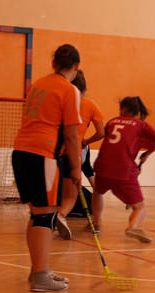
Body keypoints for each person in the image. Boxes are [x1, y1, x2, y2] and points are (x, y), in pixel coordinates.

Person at [11, 44, 81, 291]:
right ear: (76, 66)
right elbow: (71, 135)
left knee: (37, 213)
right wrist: (76, 168)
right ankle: (41, 276)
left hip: (21, 152)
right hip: (43, 155)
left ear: (54, 63)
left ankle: (38, 270)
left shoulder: (38, 84)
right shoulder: (69, 90)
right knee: (44, 214)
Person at [92, 97, 155, 243]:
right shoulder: (140, 125)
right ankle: (133, 227)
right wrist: (148, 153)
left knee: (97, 192)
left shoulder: (112, 121)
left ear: (123, 109)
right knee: (139, 207)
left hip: (102, 166)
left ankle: (96, 223)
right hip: (123, 170)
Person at [54, 70, 105, 240]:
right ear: (85, 88)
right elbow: (101, 132)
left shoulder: (62, 103)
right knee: (71, 195)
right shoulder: (90, 105)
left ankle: (49, 217)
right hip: (73, 153)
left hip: (54, 153)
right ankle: (61, 215)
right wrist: (86, 141)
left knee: (58, 191)